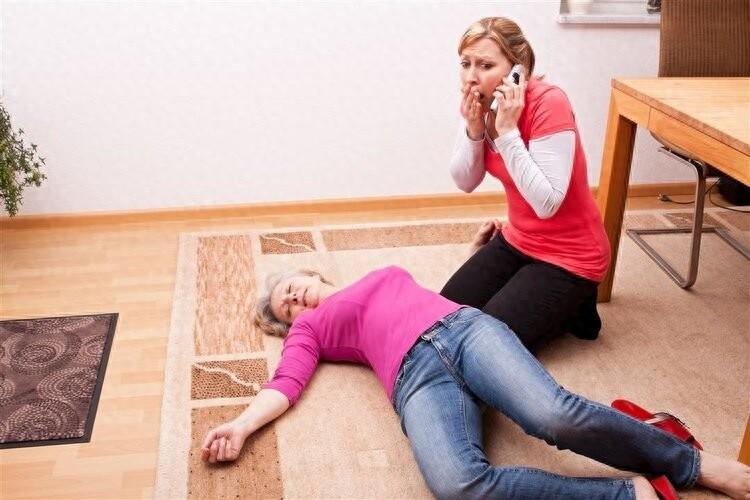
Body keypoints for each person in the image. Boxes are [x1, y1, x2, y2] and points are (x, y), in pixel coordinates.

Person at [200, 266, 749, 500]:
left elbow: (438, 296)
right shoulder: (312, 330)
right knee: (457, 485)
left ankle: (693, 464)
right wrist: (242, 425)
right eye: (287, 307)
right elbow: (285, 383)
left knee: (551, 415)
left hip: (464, 331)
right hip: (415, 381)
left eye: (292, 287)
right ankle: (627, 493)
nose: (295, 299)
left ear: (313, 273)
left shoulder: (377, 275)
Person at [441, 16, 610, 351]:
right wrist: (474, 128)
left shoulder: (549, 103)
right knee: (441, 316)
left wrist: (507, 132)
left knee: (483, 344)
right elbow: (465, 181)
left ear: (517, 69)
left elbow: (547, 204)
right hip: (517, 240)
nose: (471, 77)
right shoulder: (482, 102)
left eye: (485, 65)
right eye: (465, 63)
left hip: (571, 255)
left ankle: (576, 304)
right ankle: (558, 303)